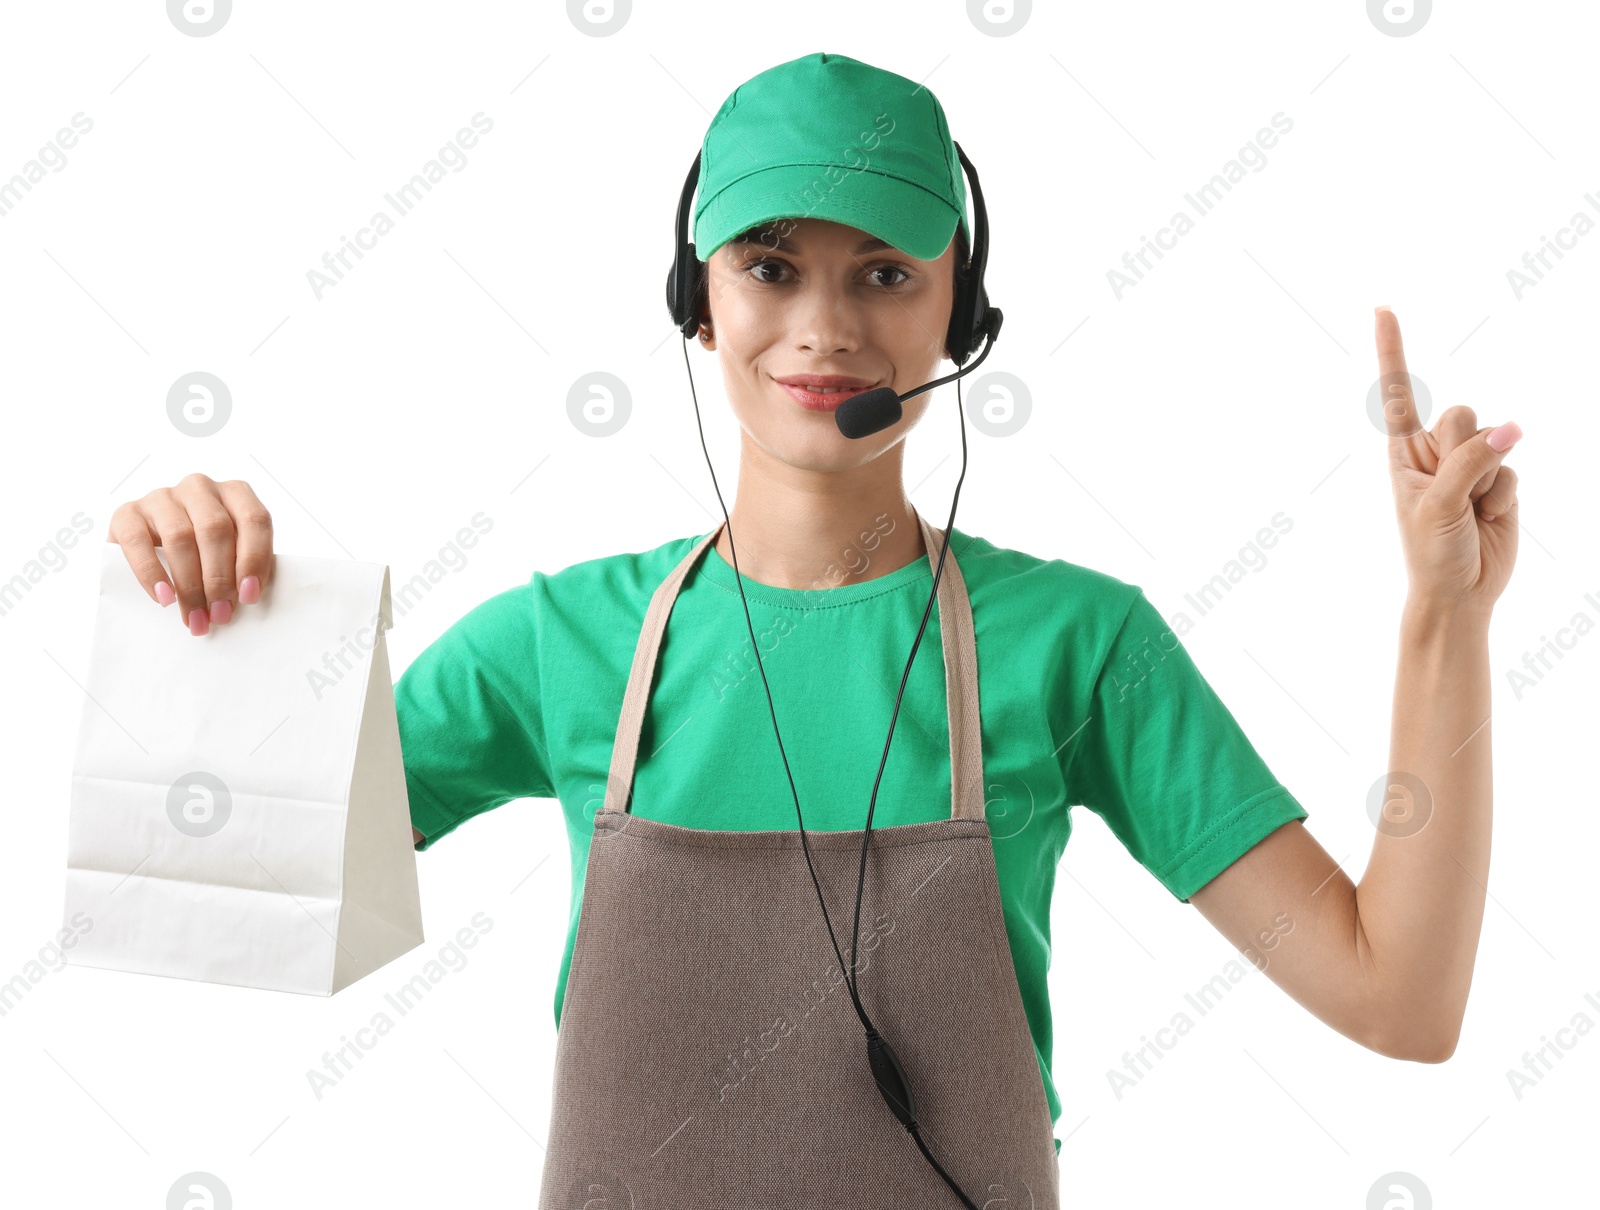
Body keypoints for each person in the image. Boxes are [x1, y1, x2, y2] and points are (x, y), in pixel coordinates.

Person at [105, 50, 1522, 1208]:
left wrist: (1441, 621)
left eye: (886, 273)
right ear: (698, 301)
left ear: (961, 304)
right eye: (771, 266)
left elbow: (1396, 997)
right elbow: (216, 874)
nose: (825, 325)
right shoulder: (558, 642)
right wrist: (201, 602)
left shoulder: (1081, 645)